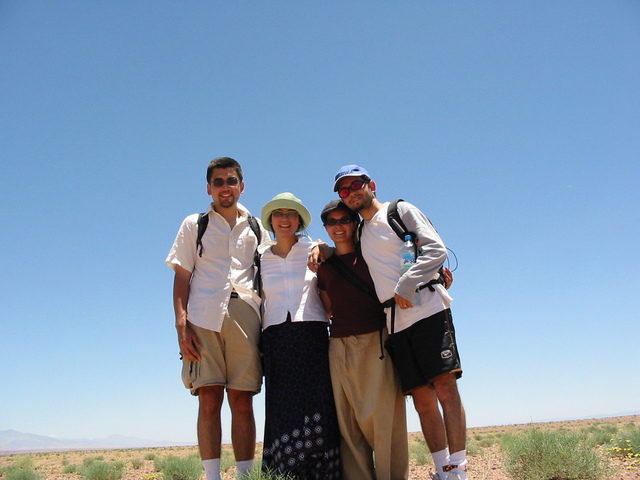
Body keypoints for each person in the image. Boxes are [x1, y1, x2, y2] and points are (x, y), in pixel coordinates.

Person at [331, 165, 468, 480]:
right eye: (344, 190)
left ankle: (459, 469)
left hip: (428, 309)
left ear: (372, 184)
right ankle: (442, 471)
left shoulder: (399, 210)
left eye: (356, 184)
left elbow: (435, 248)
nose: (351, 192)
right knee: (422, 399)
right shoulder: (361, 232)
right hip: (395, 323)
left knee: (445, 388)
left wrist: (409, 283)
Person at [165, 157, 268, 480]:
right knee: (208, 396)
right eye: (219, 182)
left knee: (242, 398)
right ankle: (211, 476)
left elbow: (271, 270)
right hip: (202, 316)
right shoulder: (194, 225)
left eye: (231, 180)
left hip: (246, 315)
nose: (226, 187)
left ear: (242, 185)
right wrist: (181, 324)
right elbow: (182, 276)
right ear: (209, 188)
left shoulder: (256, 227)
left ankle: (245, 476)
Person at [316, 200, 409, 480]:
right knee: (349, 424)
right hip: (338, 345)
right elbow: (328, 308)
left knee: (383, 422)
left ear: (355, 222)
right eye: (331, 222)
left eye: (344, 219)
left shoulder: (371, 254)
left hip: (375, 341)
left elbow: (404, 266)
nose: (338, 226)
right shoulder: (324, 265)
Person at [258, 192, 341, 480]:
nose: (285, 219)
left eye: (291, 213)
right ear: (270, 220)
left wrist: (324, 250)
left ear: (299, 220)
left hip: (312, 335)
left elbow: (339, 253)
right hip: (276, 339)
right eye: (278, 213)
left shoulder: (314, 248)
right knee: (283, 408)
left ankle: (323, 473)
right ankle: (285, 472)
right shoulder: (260, 258)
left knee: (318, 404)